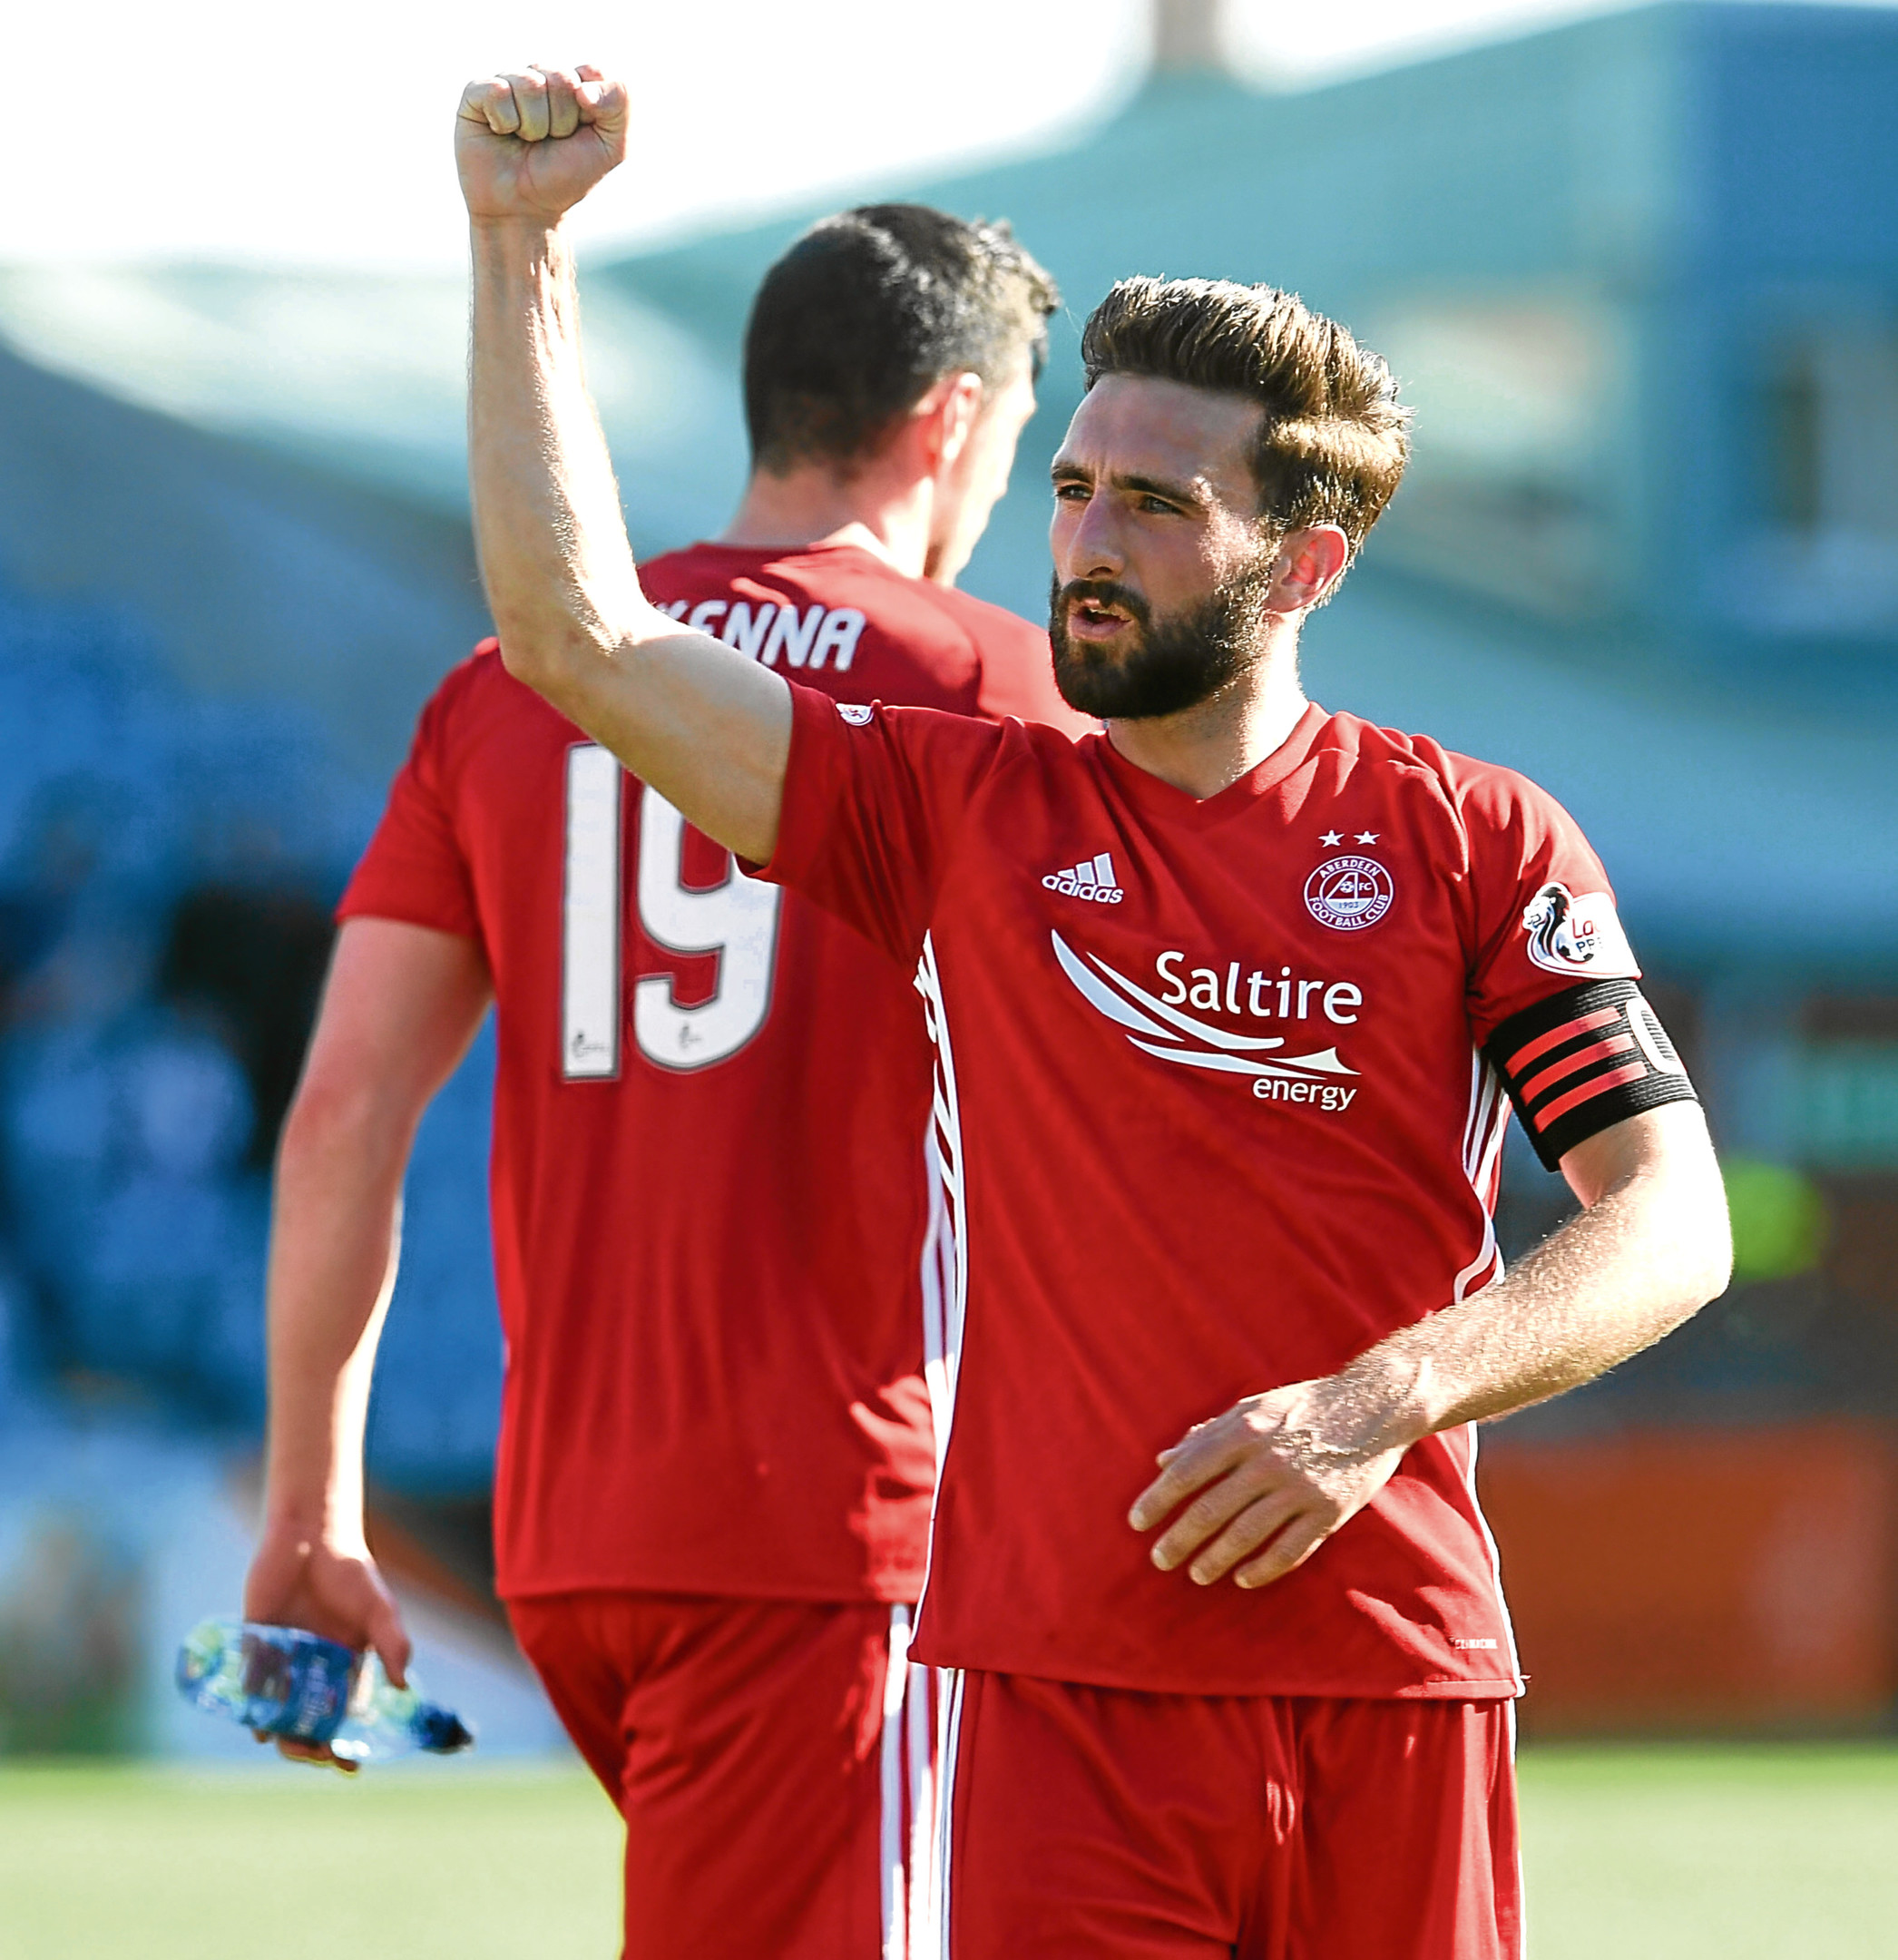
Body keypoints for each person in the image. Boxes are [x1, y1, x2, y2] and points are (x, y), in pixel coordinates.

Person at [456, 64, 1732, 1960]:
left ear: (1304, 560)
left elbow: (1672, 1220)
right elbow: (578, 638)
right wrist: (518, 247)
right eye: (1066, 490)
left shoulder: (1467, 837)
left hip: (1396, 1686)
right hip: (1051, 1703)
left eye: (1152, 502)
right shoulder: (952, 809)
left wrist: (1380, 1399)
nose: (1082, 540)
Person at [243, 154, 1083, 1958]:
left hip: (579, 1533)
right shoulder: (992, 691)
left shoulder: (498, 694)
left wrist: (312, 1499)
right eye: (1020, 435)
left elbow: (343, 1110)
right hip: (828, 1527)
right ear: (947, 421)